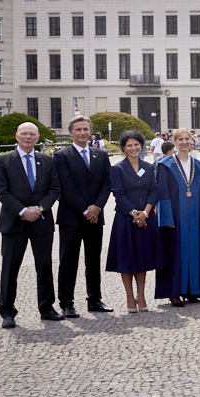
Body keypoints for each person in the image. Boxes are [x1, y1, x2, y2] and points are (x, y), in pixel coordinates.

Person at [0, 122, 63, 328]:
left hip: (41, 222)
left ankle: (47, 308)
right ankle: (7, 311)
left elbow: (55, 188)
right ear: (17, 136)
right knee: (10, 268)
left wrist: (39, 209)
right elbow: (1, 192)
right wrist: (23, 211)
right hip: (14, 222)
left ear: (38, 137)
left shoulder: (47, 161)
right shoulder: (3, 160)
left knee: (44, 267)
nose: (28, 137)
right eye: (24, 134)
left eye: (32, 134)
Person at [52, 114, 113, 316]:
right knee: (69, 261)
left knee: (93, 259)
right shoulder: (61, 155)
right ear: (71, 133)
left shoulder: (101, 155)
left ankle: (94, 299)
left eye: (85, 129)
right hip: (71, 217)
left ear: (90, 131)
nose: (82, 133)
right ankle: (66, 303)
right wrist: (86, 210)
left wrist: (97, 207)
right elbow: (65, 187)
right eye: (78, 130)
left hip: (96, 216)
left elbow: (107, 183)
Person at [155, 127, 200, 306]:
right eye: (181, 139)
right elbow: (161, 192)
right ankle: (174, 292)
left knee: (194, 251)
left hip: (194, 217)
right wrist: (166, 218)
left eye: (188, 139)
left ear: (192, 141)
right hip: (175, 217)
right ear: (175, 142)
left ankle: (193, 290)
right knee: (174, 253)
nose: (185, 142)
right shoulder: (165, 165)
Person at [107, 130, 164, 313]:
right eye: (129, 145)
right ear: (124, 147)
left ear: (142, 146)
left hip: (147, 218)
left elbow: (154, 191)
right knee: (127, 260)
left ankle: (141, 294)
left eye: (136, 144)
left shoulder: (149, 167)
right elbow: (119, 194)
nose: (133, 148)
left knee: (143, 258)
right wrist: (134, 213)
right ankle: (129, 296)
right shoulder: (117, 169)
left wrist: (145, 213)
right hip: (126, 219)